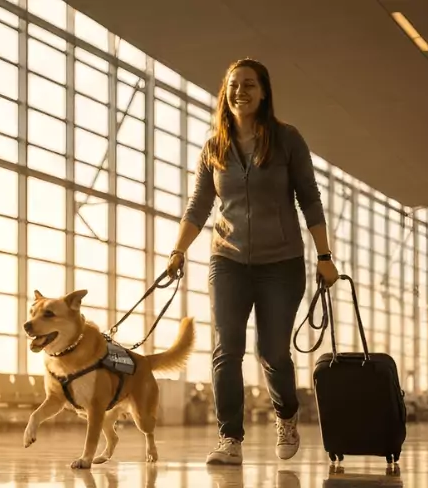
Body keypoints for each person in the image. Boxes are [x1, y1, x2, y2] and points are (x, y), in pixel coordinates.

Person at [166, 58, 337, 465]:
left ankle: (286, 415)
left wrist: (324, 255)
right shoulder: (214, 147)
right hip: (227, 260)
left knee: (272, 352)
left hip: (282, 262)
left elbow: (309, 199)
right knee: (226, 349)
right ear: (224, 93)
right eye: (233, 85)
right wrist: (177, 250)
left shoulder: (287, 140)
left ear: (263, 93)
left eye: (248, 85)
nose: (240, 91)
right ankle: (230, 439)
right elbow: (199, 205)